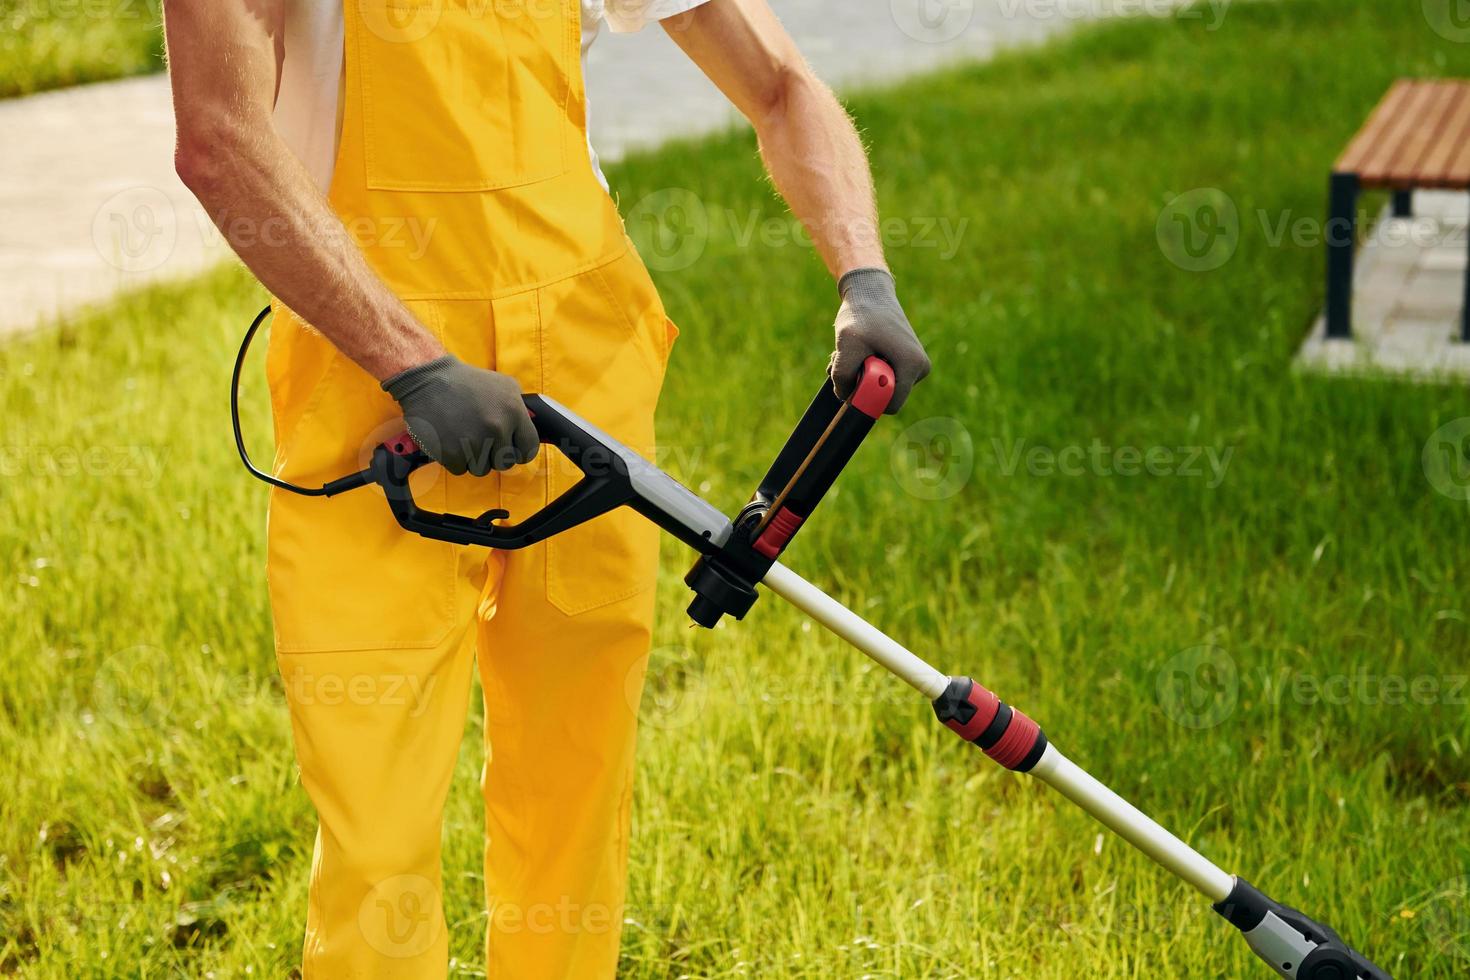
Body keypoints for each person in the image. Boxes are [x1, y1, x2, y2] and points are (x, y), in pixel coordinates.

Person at [162, 0, 930, 975]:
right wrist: (412, 364)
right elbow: (220, 140)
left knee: (575, 775)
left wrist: (864, 275)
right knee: (375, 817)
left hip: (583, 351)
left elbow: (777, 83)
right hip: (373, 380)